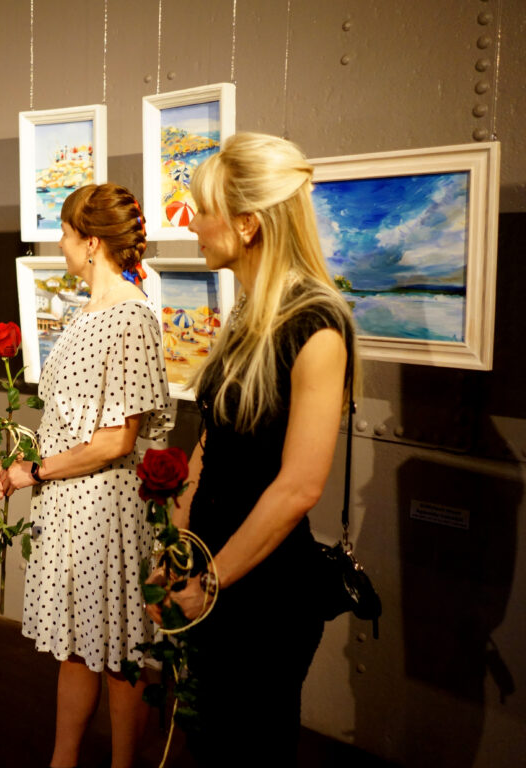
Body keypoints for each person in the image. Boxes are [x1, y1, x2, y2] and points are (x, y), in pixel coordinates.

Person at [147, 133, 357, 766]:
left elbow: (299, 486)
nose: (190, 223)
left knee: (249, 748)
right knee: (209, 742)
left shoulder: (316, 325)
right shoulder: (247, 313)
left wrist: (211, 580)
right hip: (214, 567)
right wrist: (177, 546)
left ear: (247, 224)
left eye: (202, 210)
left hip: (265, 595)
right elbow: (214, 437)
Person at [0, 183, 173, 768]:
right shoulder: (87, 313)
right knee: (76, 646)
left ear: (92, 242)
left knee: (119, 653)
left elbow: (117, 440)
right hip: (70, 502)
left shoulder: (130, 316)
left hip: (103, 510)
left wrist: (33, 471)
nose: (61, 245)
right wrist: (29, 460)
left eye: (66, 234)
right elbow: (75, 421)